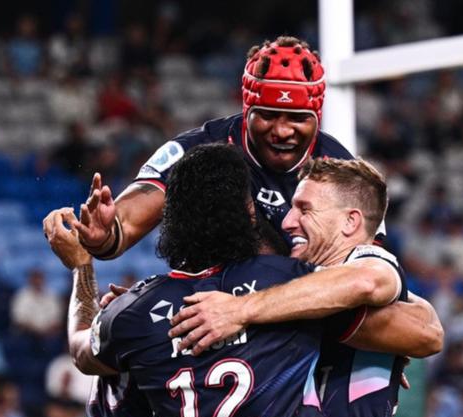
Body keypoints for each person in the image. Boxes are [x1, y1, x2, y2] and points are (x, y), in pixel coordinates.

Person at [44, 144, 409, 417]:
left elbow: (80, 350)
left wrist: (82, 267)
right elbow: (378, 287)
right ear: (249, 213)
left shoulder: (131, 313)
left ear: (169, 218)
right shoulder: (293, 283)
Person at [169, 158, 444, 417]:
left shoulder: (370, 261)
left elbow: (367, 281)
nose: (287, 222)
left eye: (304, 209)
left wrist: (241, 310)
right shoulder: (291, 286)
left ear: (351, 221)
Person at [72, 35, 353, 260]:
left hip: (308, 312)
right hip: (211, 303)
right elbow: (131, 216)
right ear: (246, 110)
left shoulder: (343, 169)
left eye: (297, 118)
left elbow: (369, 270)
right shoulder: (201, 148)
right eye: (267, 115)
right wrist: (106, 234)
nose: (281, 131)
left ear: (316, 118)